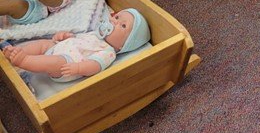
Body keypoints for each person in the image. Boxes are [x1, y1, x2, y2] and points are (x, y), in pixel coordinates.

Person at [2, 8, 151, 82]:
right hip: (58, 48)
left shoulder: (109, 51)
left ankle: (23, 61)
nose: (115, 22)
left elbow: (96, 65)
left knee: (53, 62)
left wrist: (78, 68)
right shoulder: (94, 33)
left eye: (123, 26)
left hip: (68, 64)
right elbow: (78, 40)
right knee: (43, 44)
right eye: (117, 17)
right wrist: (64, 37)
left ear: (125, 45)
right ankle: (17, 50)